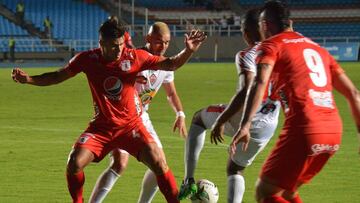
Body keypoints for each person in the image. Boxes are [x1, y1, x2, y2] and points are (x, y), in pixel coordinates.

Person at [11, 18, 206, 203]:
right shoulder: (87, 59)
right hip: (101, 128)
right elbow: (57, 76)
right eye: (114, 46)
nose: (119, 50)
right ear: (101, 43)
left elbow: (171, 64)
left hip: (132, 127)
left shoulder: (135, 56)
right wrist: (29, 80)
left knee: (159, 163)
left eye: (122, 44)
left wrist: (188, 51)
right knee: (74, 163)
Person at [230, 1, 360, 203]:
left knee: (265, 192)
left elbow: (260, 81)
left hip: (304, 128)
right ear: (290, 22)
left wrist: (245, 124)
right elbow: (354, 93)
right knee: (287, 191)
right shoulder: (318, 49)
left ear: (264, 25)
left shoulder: (271, 44)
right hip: (334, 132)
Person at [177, 8, 281, 203]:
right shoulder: (278, 52)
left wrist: (221, 121)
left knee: (199, 118)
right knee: (235, 168)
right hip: (268, 125)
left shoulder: (247, 54)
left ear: (245, 33)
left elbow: (245, 91)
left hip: (245, 118)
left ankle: (188, 180)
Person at [89, 22, 187, 203]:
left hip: (142, 116)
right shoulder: (133, 57)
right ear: (148, 38)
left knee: (160, 164)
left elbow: (171, 93)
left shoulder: (165, 65)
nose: (163, 46)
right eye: (159, 41)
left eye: (166, 42)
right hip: (120, 115)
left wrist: (180, 114)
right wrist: (129, 77)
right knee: (119, 163)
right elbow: (110, 72)